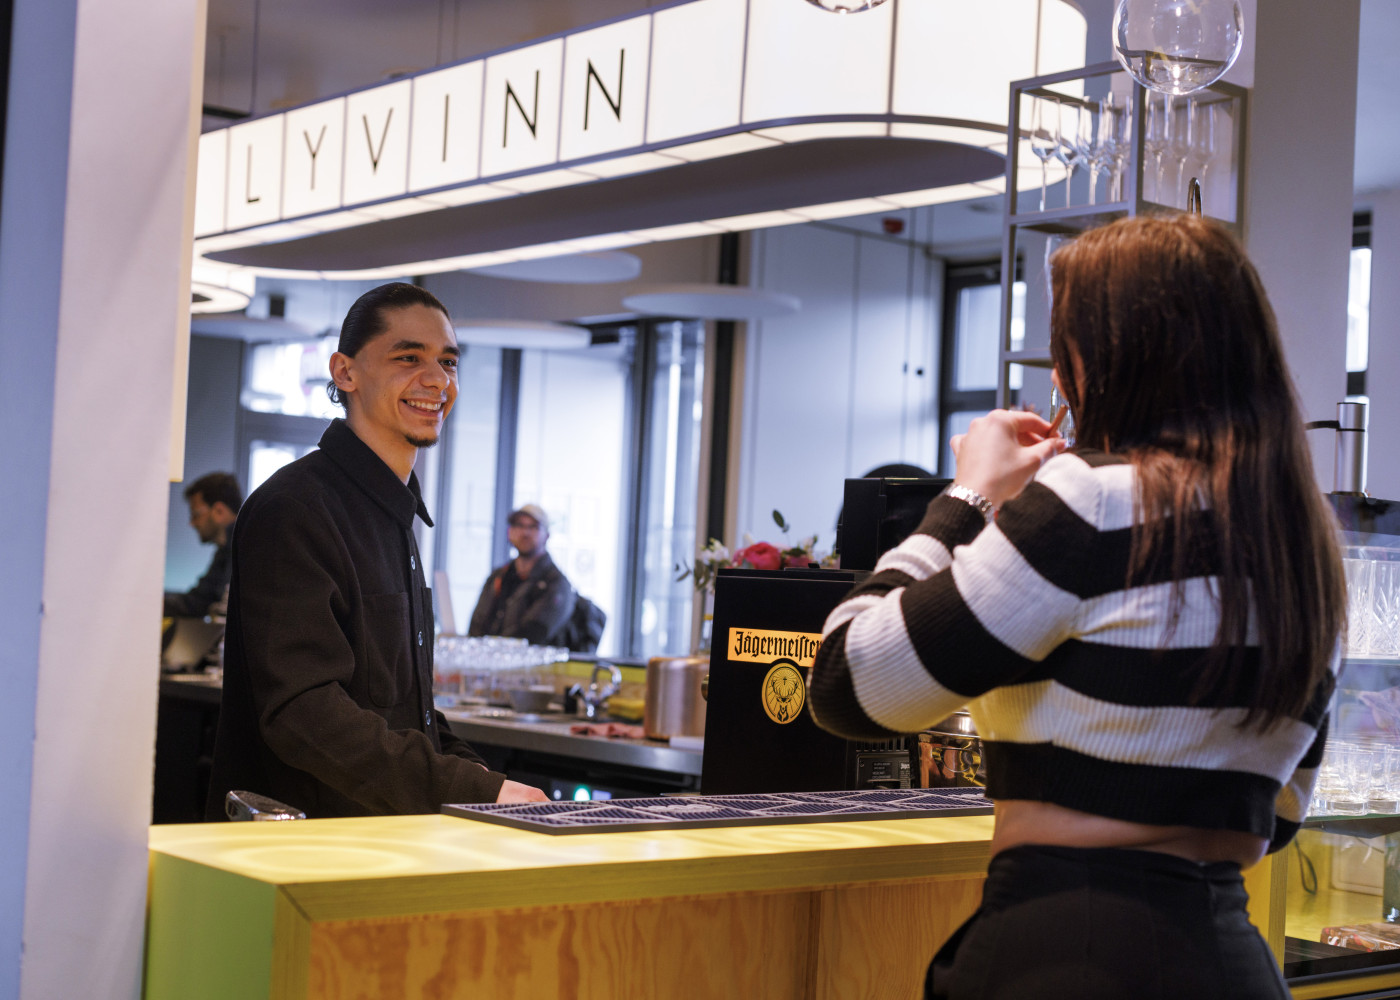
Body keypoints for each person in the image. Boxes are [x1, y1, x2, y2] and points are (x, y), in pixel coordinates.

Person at [809, 214, 1344, 999]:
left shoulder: (1092, 503)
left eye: (1067, 352)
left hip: (1071, 951)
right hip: (1229, 958)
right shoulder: (1304, 545)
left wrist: (966, 499)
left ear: (1107, 362)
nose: (1060, 381)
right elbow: (1282, 811)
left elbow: (846, 684)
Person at [206, 282, 546, 819]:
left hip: (379, 845)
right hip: (299, 855)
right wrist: (469, 789)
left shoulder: (394, 514)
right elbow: (303, 711)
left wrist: (485, 780)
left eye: (449, 362)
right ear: (345, 373)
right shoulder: (295, 508)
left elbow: (402, 711)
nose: (437, 380)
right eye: (408, 357)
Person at [467, 504, 576, 645]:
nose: (525, 533)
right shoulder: (499, 576)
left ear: (547, 535)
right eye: (519, 525)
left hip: (535, 666)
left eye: (533, 527)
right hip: (485, 661)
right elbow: (476, 625)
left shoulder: (556, 584)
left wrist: (492, 647)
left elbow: (533, 634)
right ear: (509, 532)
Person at [163, 472, 241, 618]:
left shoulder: (246, 551)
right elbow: (199, 600)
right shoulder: (226, 551)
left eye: (196, 514)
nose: (192, 523)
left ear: (219, 511)